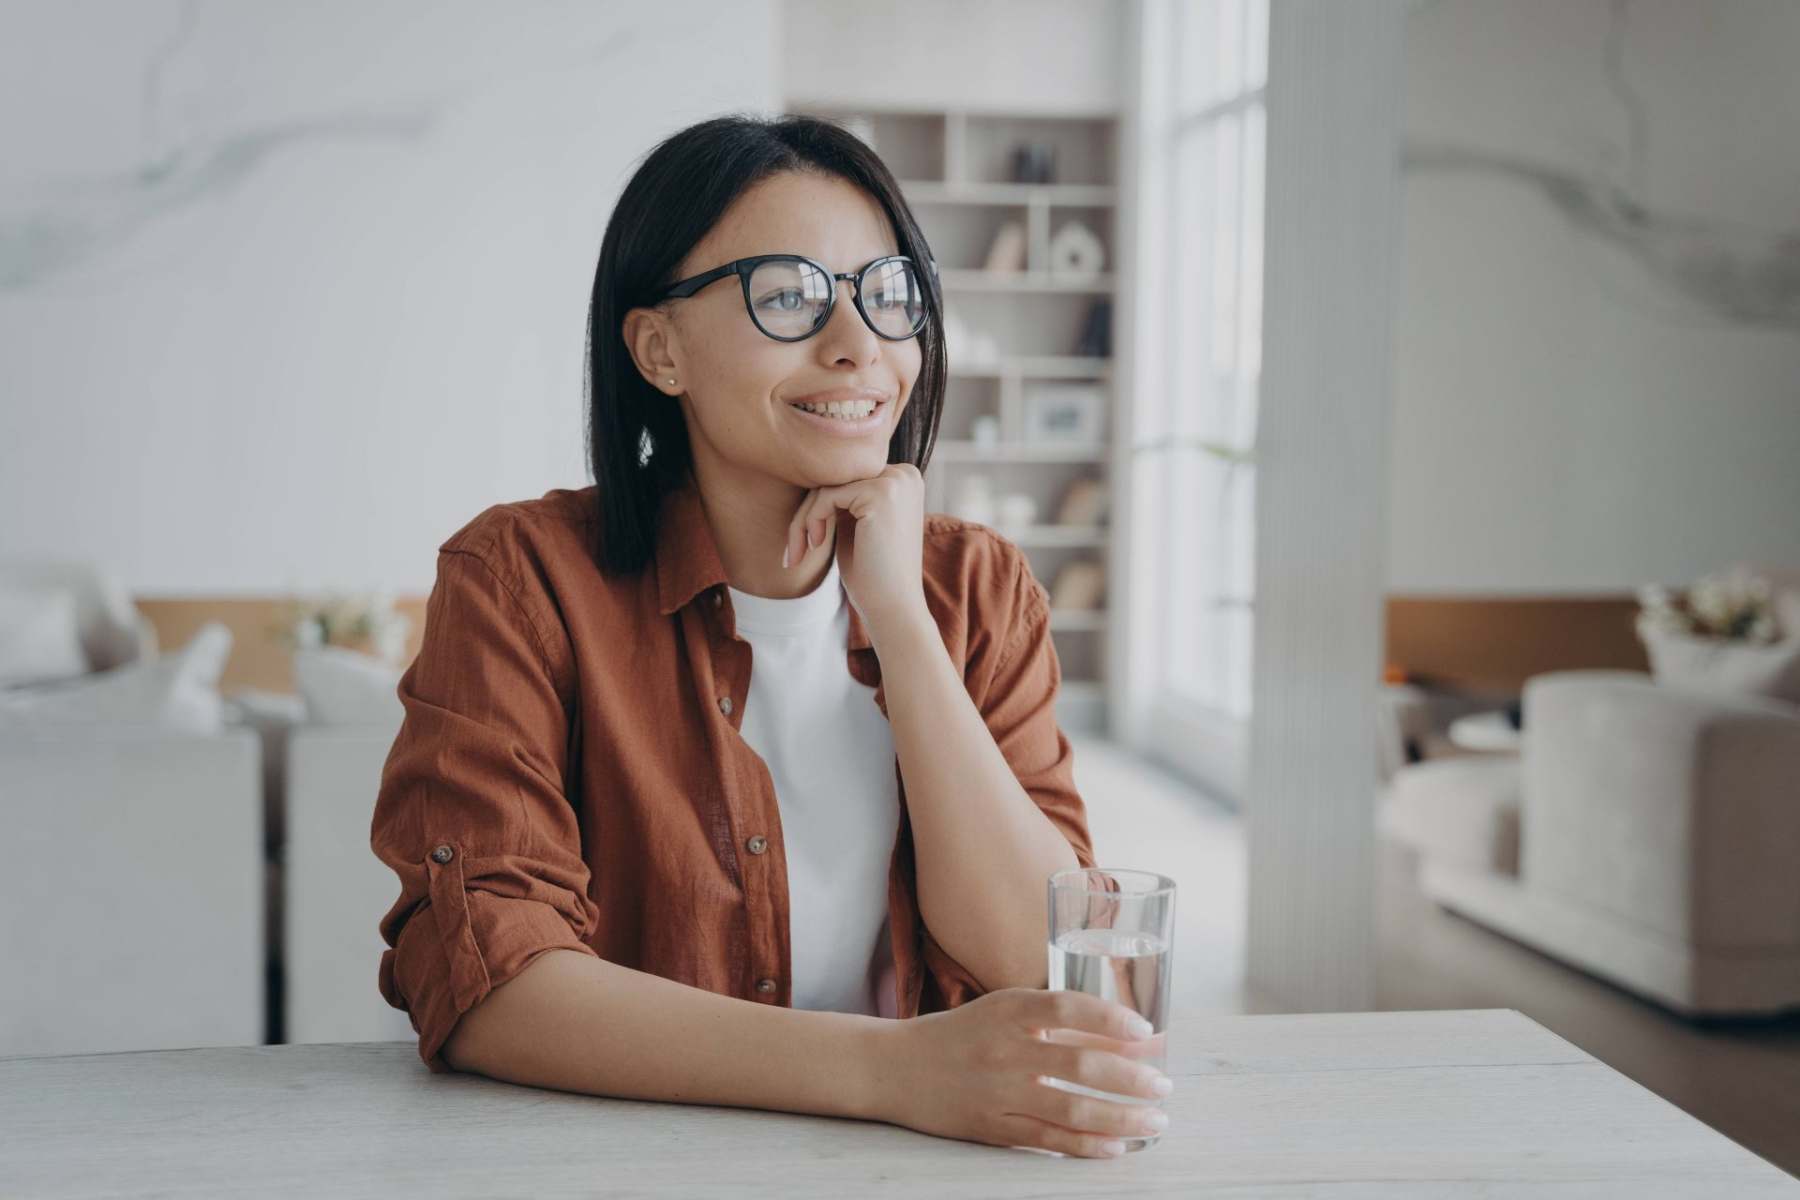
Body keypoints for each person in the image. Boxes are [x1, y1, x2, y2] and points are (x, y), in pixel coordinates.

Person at [369, 112, 1171, 1160]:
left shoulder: (976, 587)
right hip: (616, 1169)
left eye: (887, 294)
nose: (859, 345)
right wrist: (894, 1071)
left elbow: (1040, 951)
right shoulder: (520, 580)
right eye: (788, 294)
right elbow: (489, 985)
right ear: (659, 348)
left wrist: (900, 621)